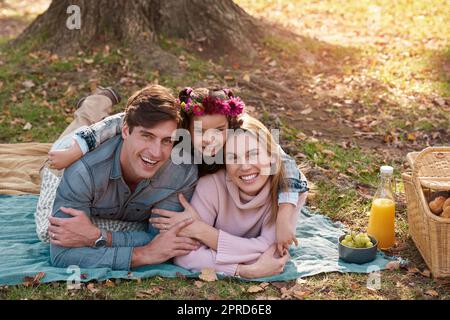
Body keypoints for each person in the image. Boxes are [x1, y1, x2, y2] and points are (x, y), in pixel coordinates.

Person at [48, 87, 308, 258]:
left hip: (144, 193)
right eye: (200, 133)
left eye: (218, 131)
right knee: (65, 149)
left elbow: (285, 163)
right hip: (83, 160)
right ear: (186, 130)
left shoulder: (239, 137)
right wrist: (77, 149)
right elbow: (121, 122)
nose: (210, 140)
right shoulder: (181, 134)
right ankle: (94, 104)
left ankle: (91, 107)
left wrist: (284, 217)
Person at [43, 84, 199, 270]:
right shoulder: (82, 171)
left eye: (167, 141)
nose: (156, 152)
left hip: (111, 156)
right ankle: (93, 103)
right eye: (147, 136)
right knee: (44, 231)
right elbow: (62, 255)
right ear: (125, 131)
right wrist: (143, 254)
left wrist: (96, 236)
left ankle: (95, 107)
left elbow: (163, 239)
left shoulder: (182, 172)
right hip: (64, 160)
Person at [153, 115, 308, 278]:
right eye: (233, 157)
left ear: (272, 156)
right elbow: (185, 255)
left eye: (253, 154)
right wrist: (244, 270)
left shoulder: (288, 194)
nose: (245, 166)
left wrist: (203, 232)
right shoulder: (211, 185)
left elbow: (274, 252)